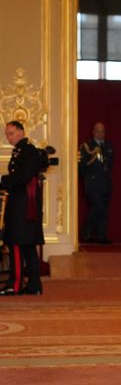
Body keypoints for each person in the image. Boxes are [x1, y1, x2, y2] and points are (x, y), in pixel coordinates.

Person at [0, 120, 45, 296]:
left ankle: (16, 285)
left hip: (23, 206)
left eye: (11, 133)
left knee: (17, 244)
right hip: (23, 204)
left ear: (21, 132)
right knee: (27, 246)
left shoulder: (28, 151)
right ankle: (34, 286)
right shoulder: (21, 150)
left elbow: (23, 176)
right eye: (7, 134)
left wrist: (2, 181)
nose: (8, 137)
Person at [78, 122, 114, 243]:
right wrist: (88, 178)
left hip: (105, 183)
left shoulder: (108, 146)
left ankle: (101, 236)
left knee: (103, 210)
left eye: (103, 131)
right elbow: (81, 166)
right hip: (92, 184)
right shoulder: (87, 146)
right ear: (93, 132)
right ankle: (85, 231)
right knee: (96, 207)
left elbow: (110, 163)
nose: (101, 134)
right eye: (98, 131)